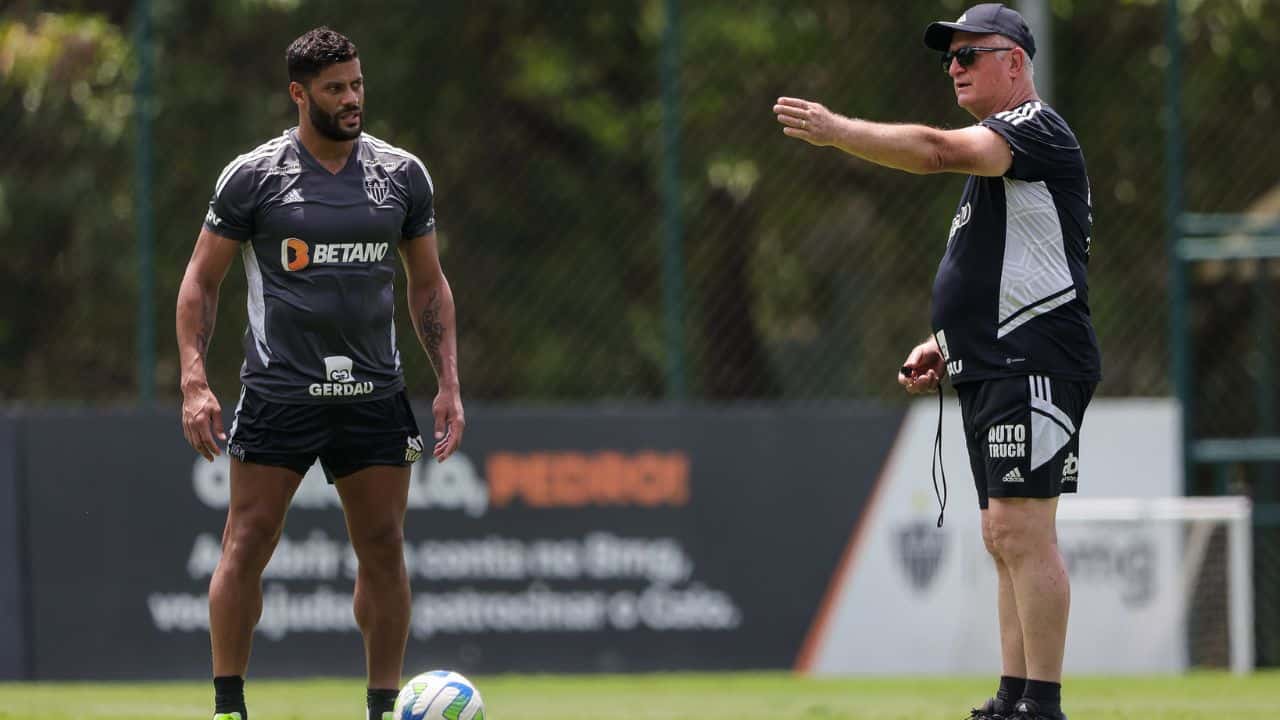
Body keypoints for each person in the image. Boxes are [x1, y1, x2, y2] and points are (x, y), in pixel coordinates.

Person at [774, 4, 1099, 720]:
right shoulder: (1006, 155)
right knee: (1000, 532)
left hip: (1035, 358)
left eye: (968, 55)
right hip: (996, 360)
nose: (953, 68)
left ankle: (1042, 704)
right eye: (948, 58)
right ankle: (1014, 697)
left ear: (1014, 61)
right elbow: (1000, 265)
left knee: (1022, 530)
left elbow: (933, 151)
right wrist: (945, 340)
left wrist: (839, 133)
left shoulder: (1031, 130)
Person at [175, 26, 464, 720]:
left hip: (374, 394)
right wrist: (193, 380)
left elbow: (428, 286)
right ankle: (228, 707)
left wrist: (448, 382)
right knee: (246, 540)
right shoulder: (254, 176)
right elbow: (199, 283)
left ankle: (384, 707)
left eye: (357, 84)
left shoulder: (401, 175)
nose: (352, 98)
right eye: (336, 89)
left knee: (385, 547)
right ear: (300, 94)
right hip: (280, 391)